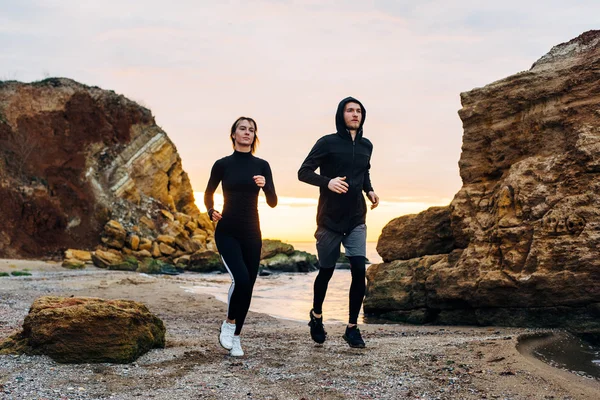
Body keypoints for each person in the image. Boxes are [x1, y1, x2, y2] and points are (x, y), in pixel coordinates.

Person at [298, 97, 379, 348]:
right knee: (326, 271)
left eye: (359, 111)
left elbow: (363, 171)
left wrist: (370, 190)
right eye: (350, 110)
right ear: (341, 114)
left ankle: (352, 328)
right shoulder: (327, 143)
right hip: (329, 219)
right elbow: (304, 172)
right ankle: (317, 316)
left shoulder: (367, 145)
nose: (355, 114)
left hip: (356, 218)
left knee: (358, 271)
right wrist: (328, 182)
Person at [204, 116, 277, 356]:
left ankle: (236, 338)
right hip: (227, 231)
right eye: (242, 129)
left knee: (249, 286)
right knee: (241, 280)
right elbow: (208, 193)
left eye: (251, 130)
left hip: (252, 232)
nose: (247, 132)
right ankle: (229, 323)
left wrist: (265, 185)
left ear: (254, 136)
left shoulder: (262, 165)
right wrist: (211, 211)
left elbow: (273, 202)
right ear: (234, 134)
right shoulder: (222, 164)